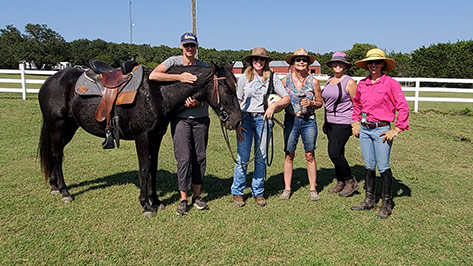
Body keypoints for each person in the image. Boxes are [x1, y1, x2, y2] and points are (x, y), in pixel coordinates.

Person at [149, 32, 209, 215]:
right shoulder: (173, 62)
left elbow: (210, 95)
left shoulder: (204, 67)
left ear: (197, 47)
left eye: (192, 45)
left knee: (200, 158)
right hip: (181, 120)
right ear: (181, 47)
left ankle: (197, 196)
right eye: (186, 45)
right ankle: (183, 198)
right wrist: (179, 77)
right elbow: (153, 75)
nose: (189, 48)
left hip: (201, 119)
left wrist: (200, 103)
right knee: (183, 158)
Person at [350, 48, 410, 219]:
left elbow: (403, 107)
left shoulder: (391, 83)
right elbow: (357, 105)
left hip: (382, 130)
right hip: (365, 130)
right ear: (367, 65)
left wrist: (396, 129)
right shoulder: (362, 84)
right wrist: (355, 122)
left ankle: (387, 203)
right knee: (369, 165)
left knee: (383, 166)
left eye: (377, 62)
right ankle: (369, 199)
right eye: (370, 63)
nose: (373, 65)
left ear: (383, 64)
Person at [232, 47, 290, 207]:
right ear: (251, 61)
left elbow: (286, 98)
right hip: (245, 119)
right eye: (255, 59)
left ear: (266, 62)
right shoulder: (244, 78)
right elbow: (237, 100)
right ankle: (237, 192)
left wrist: (273, 107)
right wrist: (237, 123)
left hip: (263, 119)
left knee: (261, 156)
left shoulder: (272, 78)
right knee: (242, 157)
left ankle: (258, 191)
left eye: (262, 59)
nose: (258, 62)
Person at [279, 48, 323, 201]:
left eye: (304, 60)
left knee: (309, 154)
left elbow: (320, 103)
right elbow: (275, 98)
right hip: (291, 120)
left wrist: (311, 103)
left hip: (308, 121)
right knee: (289, 154)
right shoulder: (285, 81)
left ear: (308, 63)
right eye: (298, 60)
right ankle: (287, 188)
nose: (301, 62)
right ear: (293, 63)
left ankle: (312, 189)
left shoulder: (314, 81)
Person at [322, 52, 359, 197]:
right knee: (339, 152)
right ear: (331, 65)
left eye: (341, 63)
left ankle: (350, 181)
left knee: (334, 152)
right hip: (330, 122)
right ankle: (340, 181)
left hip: (343, 122)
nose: (337, 66)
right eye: (335, 63)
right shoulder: (329, 80)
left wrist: (356, 123)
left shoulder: (349, 82)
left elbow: (357, 103)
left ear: (345, 66)